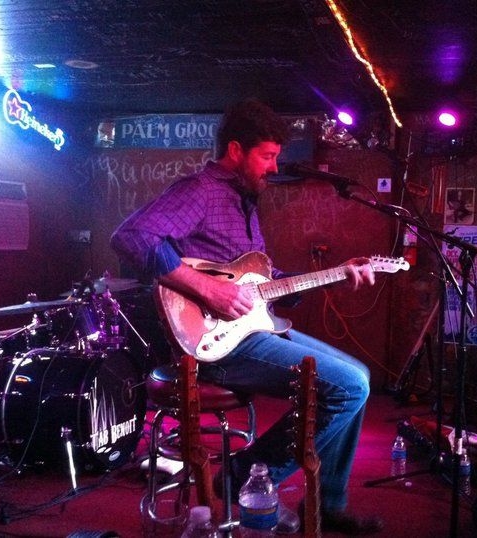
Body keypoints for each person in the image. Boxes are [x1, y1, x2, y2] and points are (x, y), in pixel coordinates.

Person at [110, 99, 384, 535]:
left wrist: (332, 277)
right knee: (349, 387)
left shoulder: (245, 201)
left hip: (250, 327)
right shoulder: (201, 190)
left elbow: (263, 288)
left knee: (359, 376)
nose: (274, 167)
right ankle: (246, 475)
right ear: (235, 150)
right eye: (268, 156)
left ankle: (329, 503)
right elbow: (132, 236)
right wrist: (207, 288)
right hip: (214, 339)